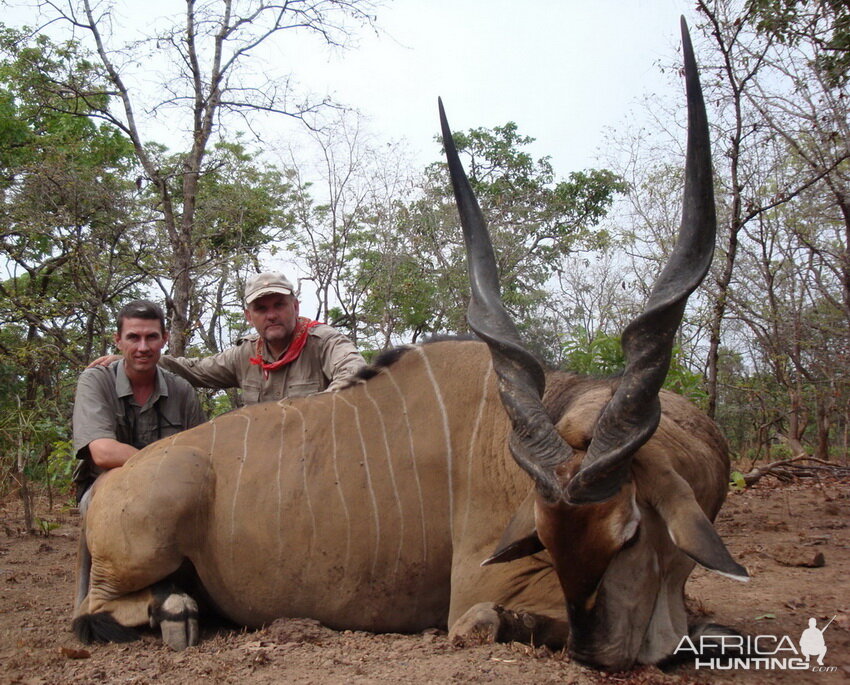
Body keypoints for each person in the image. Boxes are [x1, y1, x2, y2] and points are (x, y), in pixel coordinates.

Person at [157, 272, 367, 404]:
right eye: (261, 309)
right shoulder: (245, 353)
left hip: (315, 448)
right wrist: (135, 360)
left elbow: (354, 371)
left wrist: (316, 410)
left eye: (279, 305)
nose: (272, 315)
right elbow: (193, 369)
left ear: (295, 307)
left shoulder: (324, 342)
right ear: (249, 317)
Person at [72, 300, 206, 505]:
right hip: (106, 489)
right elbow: (103, 452)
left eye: (151, 337)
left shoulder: (182, 390)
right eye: (133, 337)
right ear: (118, 340)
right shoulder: (96, 380)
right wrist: (165, 465)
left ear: (164, 339)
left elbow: (200, 456)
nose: (143, 347)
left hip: (171, 490)